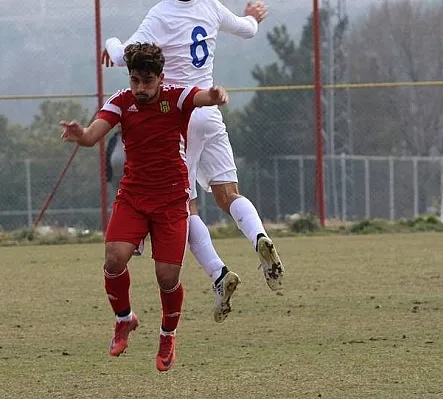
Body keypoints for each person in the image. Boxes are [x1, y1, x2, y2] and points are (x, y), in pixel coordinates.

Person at [102, 0, 285, 321]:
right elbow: (248, 30)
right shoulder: (211, 7)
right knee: (229, 193)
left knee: (184, 207)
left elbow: (121, 56)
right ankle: (259, 236)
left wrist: (109, 43)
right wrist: (253, 18)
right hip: (209, 108)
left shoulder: (161, 13)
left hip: (177, 113)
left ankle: (218, 273)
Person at [60, 42, 228, 372]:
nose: (140, 88)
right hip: (134, 198)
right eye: (135, 80)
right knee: (113, 257)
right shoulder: (122, 101)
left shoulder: (176, 97)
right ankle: (124, 319)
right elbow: (94, 135)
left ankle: (168, 335)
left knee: (167, 277)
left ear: (160, 79)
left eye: (147, 82)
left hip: (171, 201)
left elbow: (200, 97)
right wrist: (81, 135)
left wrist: (216, 95)